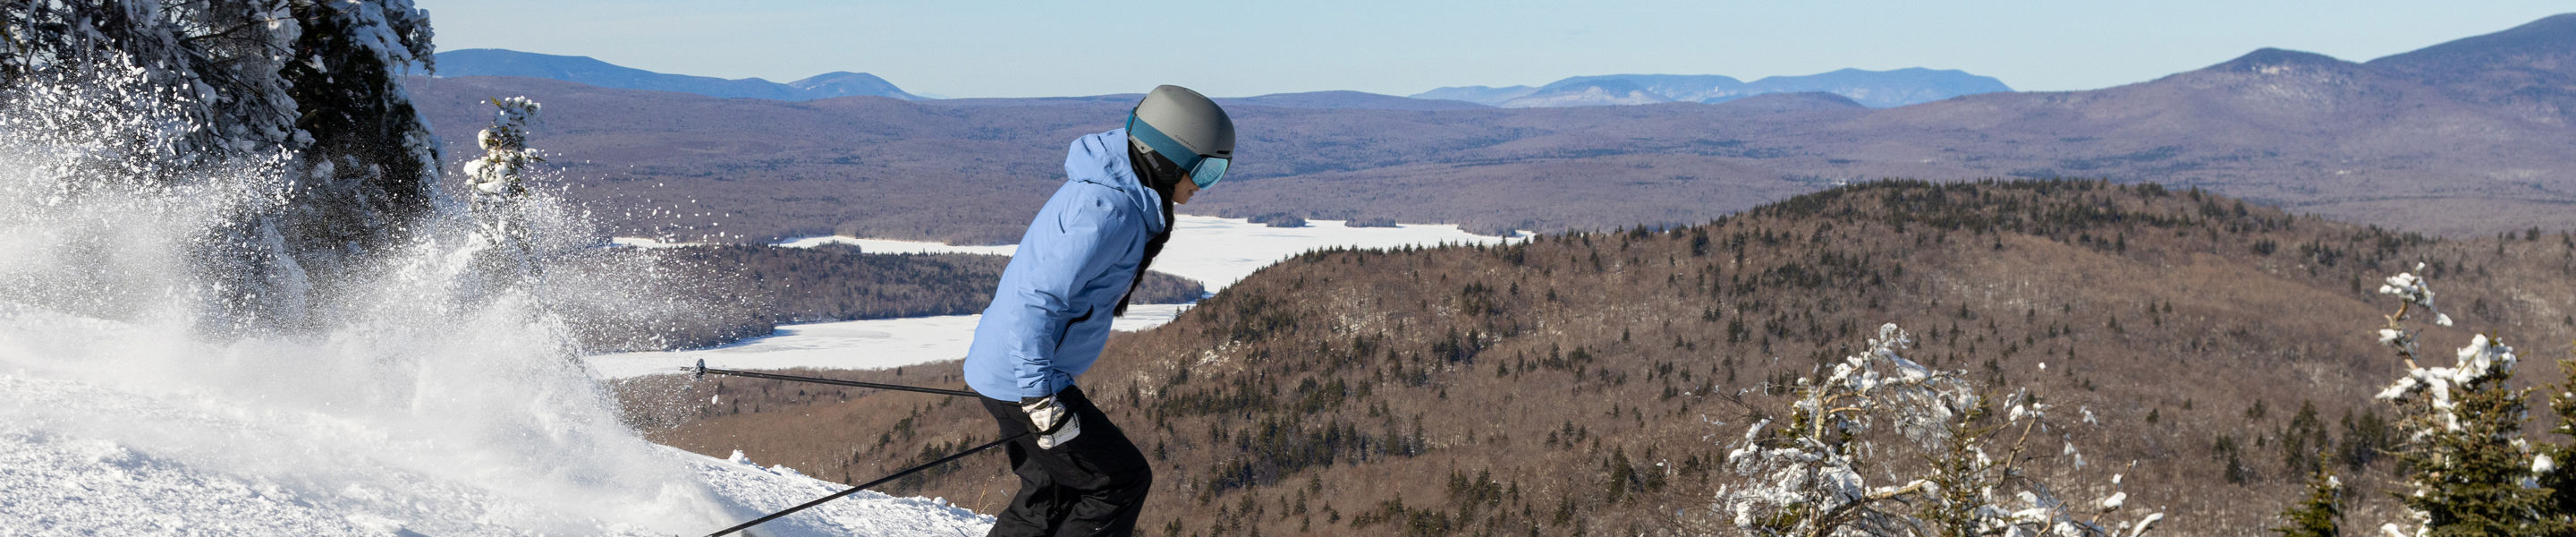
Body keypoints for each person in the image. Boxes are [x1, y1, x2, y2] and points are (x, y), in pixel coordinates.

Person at [961, 85, 1233, 537]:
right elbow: (1036, 299)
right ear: (1167, 156)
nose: (1201, 187)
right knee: (1120, 483)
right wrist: (1039, 395)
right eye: (1205, 171)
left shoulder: (1110, 189)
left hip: (1012, 369)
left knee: (1047, 496)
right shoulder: (1111, 211)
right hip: (1027, 380)